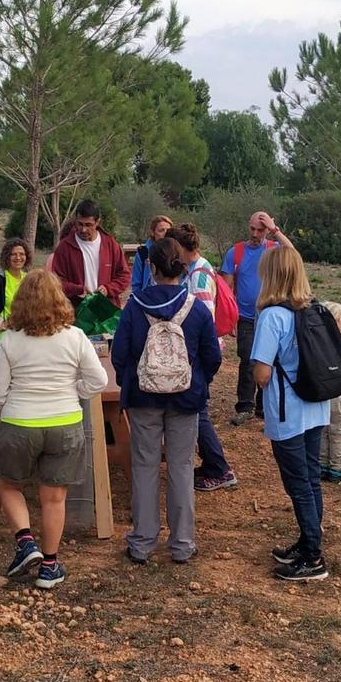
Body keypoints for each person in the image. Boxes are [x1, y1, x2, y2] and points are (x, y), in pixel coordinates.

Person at [0, 270, 109, 589]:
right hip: (65, 421)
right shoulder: (75, 337)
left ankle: (26, 542)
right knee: (54, 498)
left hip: (19, 422)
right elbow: (99, 381)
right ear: (60, 300)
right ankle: (50, 566)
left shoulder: (10, 339)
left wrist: (14, 407)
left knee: (9, 485)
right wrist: (73, 393)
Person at [112, 237, 221, 564]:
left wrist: (129, 382)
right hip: (186, 399)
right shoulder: (196, 308)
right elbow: (211, 356)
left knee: (145, 467)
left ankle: (142, 542)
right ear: (182, 268)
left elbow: (120, 354)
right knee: (182, 467)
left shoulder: (134, 306)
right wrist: (198, 382)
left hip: (143, 398)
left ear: (152, 267)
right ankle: (182, 544)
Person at [250, 248, 332, 582]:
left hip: (288, 412)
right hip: (316, 405)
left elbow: (261, 373)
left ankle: (312, 556)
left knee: (297, 483)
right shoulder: (314, 308)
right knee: (310, 479)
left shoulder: (273, 316)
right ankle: (308, 541)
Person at [168, 223, 237, 492]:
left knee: (199, 412)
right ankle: (214, 464)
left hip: (197, 353)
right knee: (198, 410)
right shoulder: (195, 269)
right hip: (194, 353)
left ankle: (219, 468)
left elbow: (203, 320)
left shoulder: (199, 275)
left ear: (183, 249)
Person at [220, 211, 294, 426]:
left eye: (260, 230)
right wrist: (229, 318)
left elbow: (292, 254)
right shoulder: (236, 252)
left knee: (270, 359)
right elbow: (226, 288)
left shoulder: (273, 248)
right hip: (245, 317)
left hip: (271, 316)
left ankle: (264, 406)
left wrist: (275, 231)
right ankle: (245, 406)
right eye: (252, 229)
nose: (255, 233)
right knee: (248, 359)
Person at [50, 200, 130, 309]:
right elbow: (55, 281)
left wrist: (108, 289)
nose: (83, 229)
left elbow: (124, 276)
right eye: (80, 224)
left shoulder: (110, 244)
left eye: (88, 225)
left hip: (106, 311)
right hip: (76, 311)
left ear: (97, 222)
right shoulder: (64, 247)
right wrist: (77, 289)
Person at [319, 302, 341, 483]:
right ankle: (337, 466)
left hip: (322, 394)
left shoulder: (317, 344)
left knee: (324, 429)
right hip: (340, 395)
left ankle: (322, 463)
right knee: (338, 430)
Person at [129, 215, 173, 296]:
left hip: (169, 298)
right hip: (148, 298)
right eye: (161, 230)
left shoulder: (175, 251)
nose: (165, 233)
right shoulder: (143, 252)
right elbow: (136, 283)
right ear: (153, 232)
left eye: (168, 230)